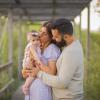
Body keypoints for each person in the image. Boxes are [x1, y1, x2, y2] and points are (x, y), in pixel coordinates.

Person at [30, 18, 84, 100]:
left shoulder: (71, 52)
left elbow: (62, 82)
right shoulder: (71, 46)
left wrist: (39, 74)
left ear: (66, 36)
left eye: (56, 37)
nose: (54, 39)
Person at [22, 21, 61, 100]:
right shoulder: (37, 46)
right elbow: (27, 70)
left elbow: (52, 72)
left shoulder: (52, 48)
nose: (40, 35)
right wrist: (25, 71)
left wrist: (35, 57)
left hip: (41, 90)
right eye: (40, 31)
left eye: (45, 33)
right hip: (30, 89)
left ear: (51, 36)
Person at [22, 30, 41, 95]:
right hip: (29, 63)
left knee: (32, 74)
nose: (36, 42)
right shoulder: (32, 46)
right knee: (33, 75)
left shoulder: (35, 45)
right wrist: (38, 61)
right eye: (33, 40)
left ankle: (27, 85)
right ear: (29, 41)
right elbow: (35, 54)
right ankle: (26, 86)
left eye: (37, 40)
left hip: (30, 62)